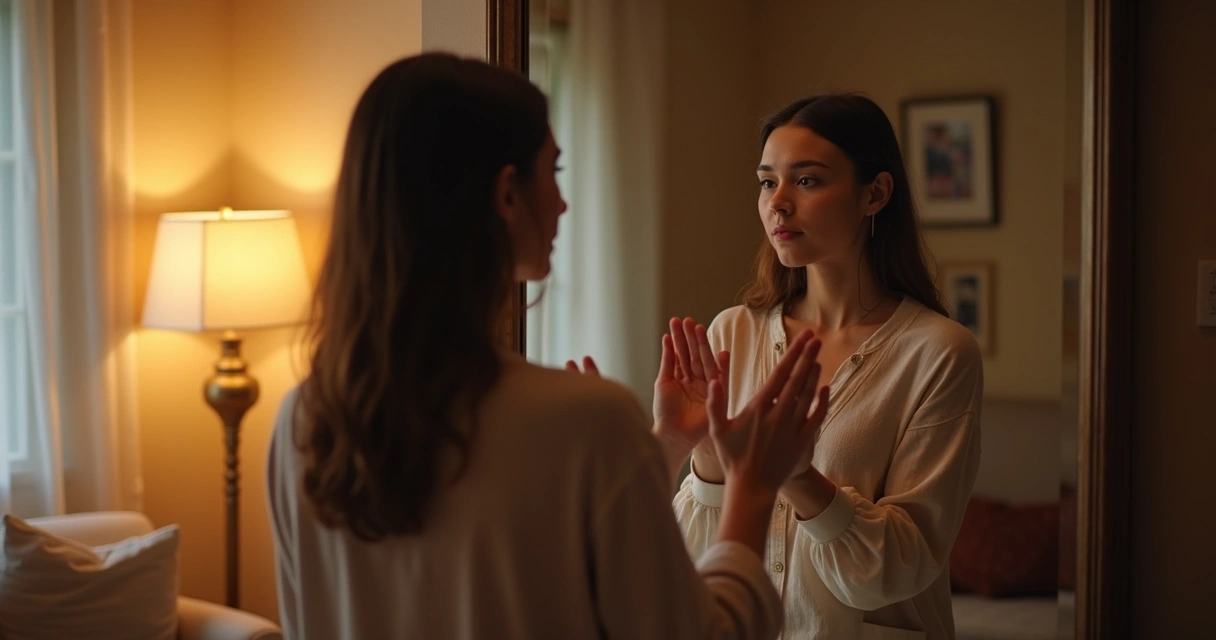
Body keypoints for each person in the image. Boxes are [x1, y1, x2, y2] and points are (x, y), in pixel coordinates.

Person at [266, 52, 834, 640]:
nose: (562, 204)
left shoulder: (303, 421)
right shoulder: (584, 420)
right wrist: (753, 484)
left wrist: (663, 446)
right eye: (554, 173)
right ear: (508, 193)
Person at [658, 94, 984, 639]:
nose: (777, 204)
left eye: (805, 181)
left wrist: (796, 476)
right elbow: (698, 558)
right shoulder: (730, 333)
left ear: (874, 194)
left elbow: (902, 566)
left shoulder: (939, 353)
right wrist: (710, 458)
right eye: (767, 182)